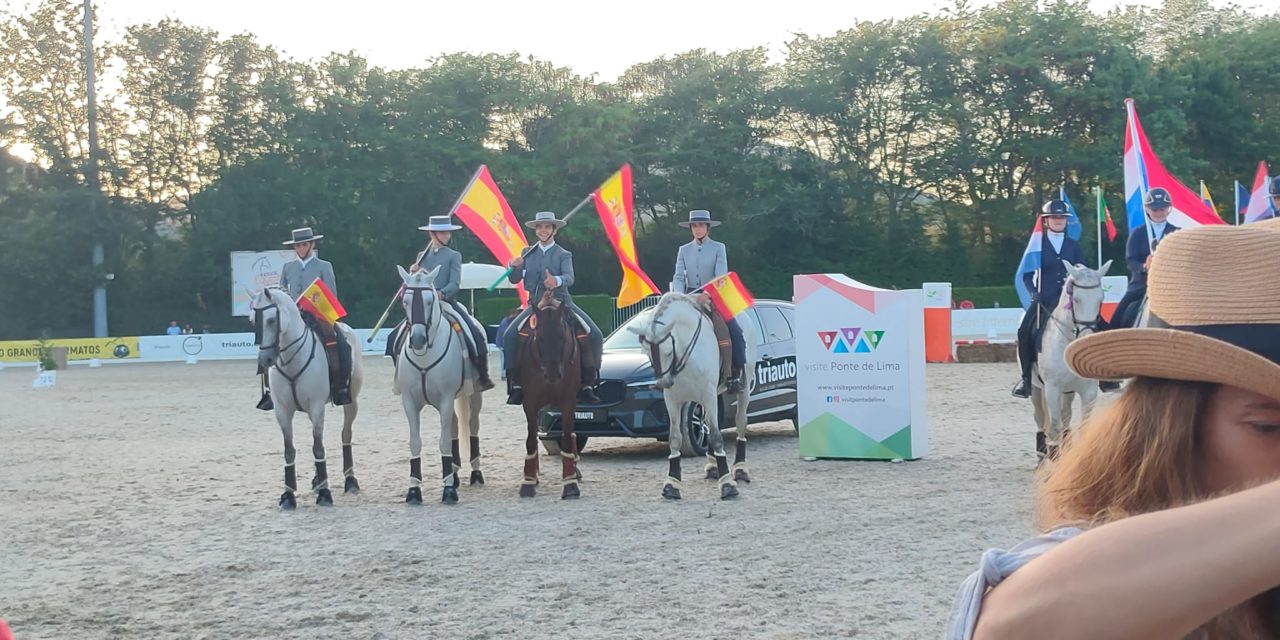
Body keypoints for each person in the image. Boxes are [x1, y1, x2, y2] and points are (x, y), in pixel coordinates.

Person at [948, 221, 1280, 639]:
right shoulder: (1053, 246)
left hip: (1090, 292)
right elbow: (1011, 626)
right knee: (1031, 330)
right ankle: (1026, 373)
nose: (1057, 223)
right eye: (1271, 427)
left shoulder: (1071, 240)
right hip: (1055, 295)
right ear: (1169, 425)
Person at [502, 211, 603, 405]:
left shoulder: (564, 254)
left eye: (547, 227)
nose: (543, 230)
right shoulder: (527, 253)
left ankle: (588, 384)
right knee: (510, 335)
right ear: (536, 230)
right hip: (535, 304)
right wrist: (513, 266)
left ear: (554, 230)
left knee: (595, 334)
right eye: (540, 227)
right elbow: (514, 279)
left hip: (561, 302)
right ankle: (516, 384)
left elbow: (569, 278)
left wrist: (555, 281)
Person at [388, 214, 495, 391]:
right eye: (443, 232)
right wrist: (413, 272)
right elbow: (415, 283)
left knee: (474, 333)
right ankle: (400, 377)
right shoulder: (422, 256)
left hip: (446, 302)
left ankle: (482, 376)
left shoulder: (454, 255)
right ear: (432, 234)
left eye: (447, 232)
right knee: (394, 337)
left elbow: (454, 283)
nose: (447, 235)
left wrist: (441, 293)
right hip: (423, 305)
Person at [1010, 200, 1086, 399]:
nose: (1058, 220)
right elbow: (1026, 274)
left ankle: (1103, 376)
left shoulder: (1073, 245)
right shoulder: (1037, 244)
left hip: (1070, 299)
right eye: (1055, 217)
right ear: (1046, 220)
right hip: (1045, 300)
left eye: (1062, 217)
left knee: (1099, 324)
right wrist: (1033, 291)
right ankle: (1026, 379)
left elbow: (1082, 270)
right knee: (1024, 330)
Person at [672, 209, 747, 393]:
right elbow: (679, 276)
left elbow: (720, 275)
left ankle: (733, 374)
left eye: (701, 225)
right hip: (689, 297)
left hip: (713, 295)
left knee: (734, 331)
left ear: (707, 227)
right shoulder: (683, 250)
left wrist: (708, 294)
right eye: (694, 226)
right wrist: (680, 296)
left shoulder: (718, 248)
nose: (697, 229)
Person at [277, 226, 352, 406]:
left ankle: (340, 387)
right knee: (270, 342)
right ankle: (270, 391)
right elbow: (281, 292)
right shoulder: (288, 267)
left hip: (317, 316)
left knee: (342, 346)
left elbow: (331, 294)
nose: (301, 249)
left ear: (311, 244)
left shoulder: (324, 266)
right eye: (297, 246)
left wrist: (322, 312)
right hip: (294, 317)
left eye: (304, 245)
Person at [1109, 187, 1179, 331]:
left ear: (1168, 209)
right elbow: (1130, 260)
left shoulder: (1177, 233)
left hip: (1171, 286)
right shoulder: (1138, 233)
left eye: (1162, 209)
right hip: (1141, 285)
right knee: (1116, 318)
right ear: (1147, 209)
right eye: (1155, 209)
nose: (1159, 212)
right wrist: (1144, 267)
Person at [495, 306, 520, 380]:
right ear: (512, 314)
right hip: (502, 344)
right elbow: (504, 334)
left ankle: (504, 374)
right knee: (503, 360)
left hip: (502, 344)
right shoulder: (505, 322)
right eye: (515, 315)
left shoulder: (507, 321)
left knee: (504, 359)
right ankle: (503, 374)